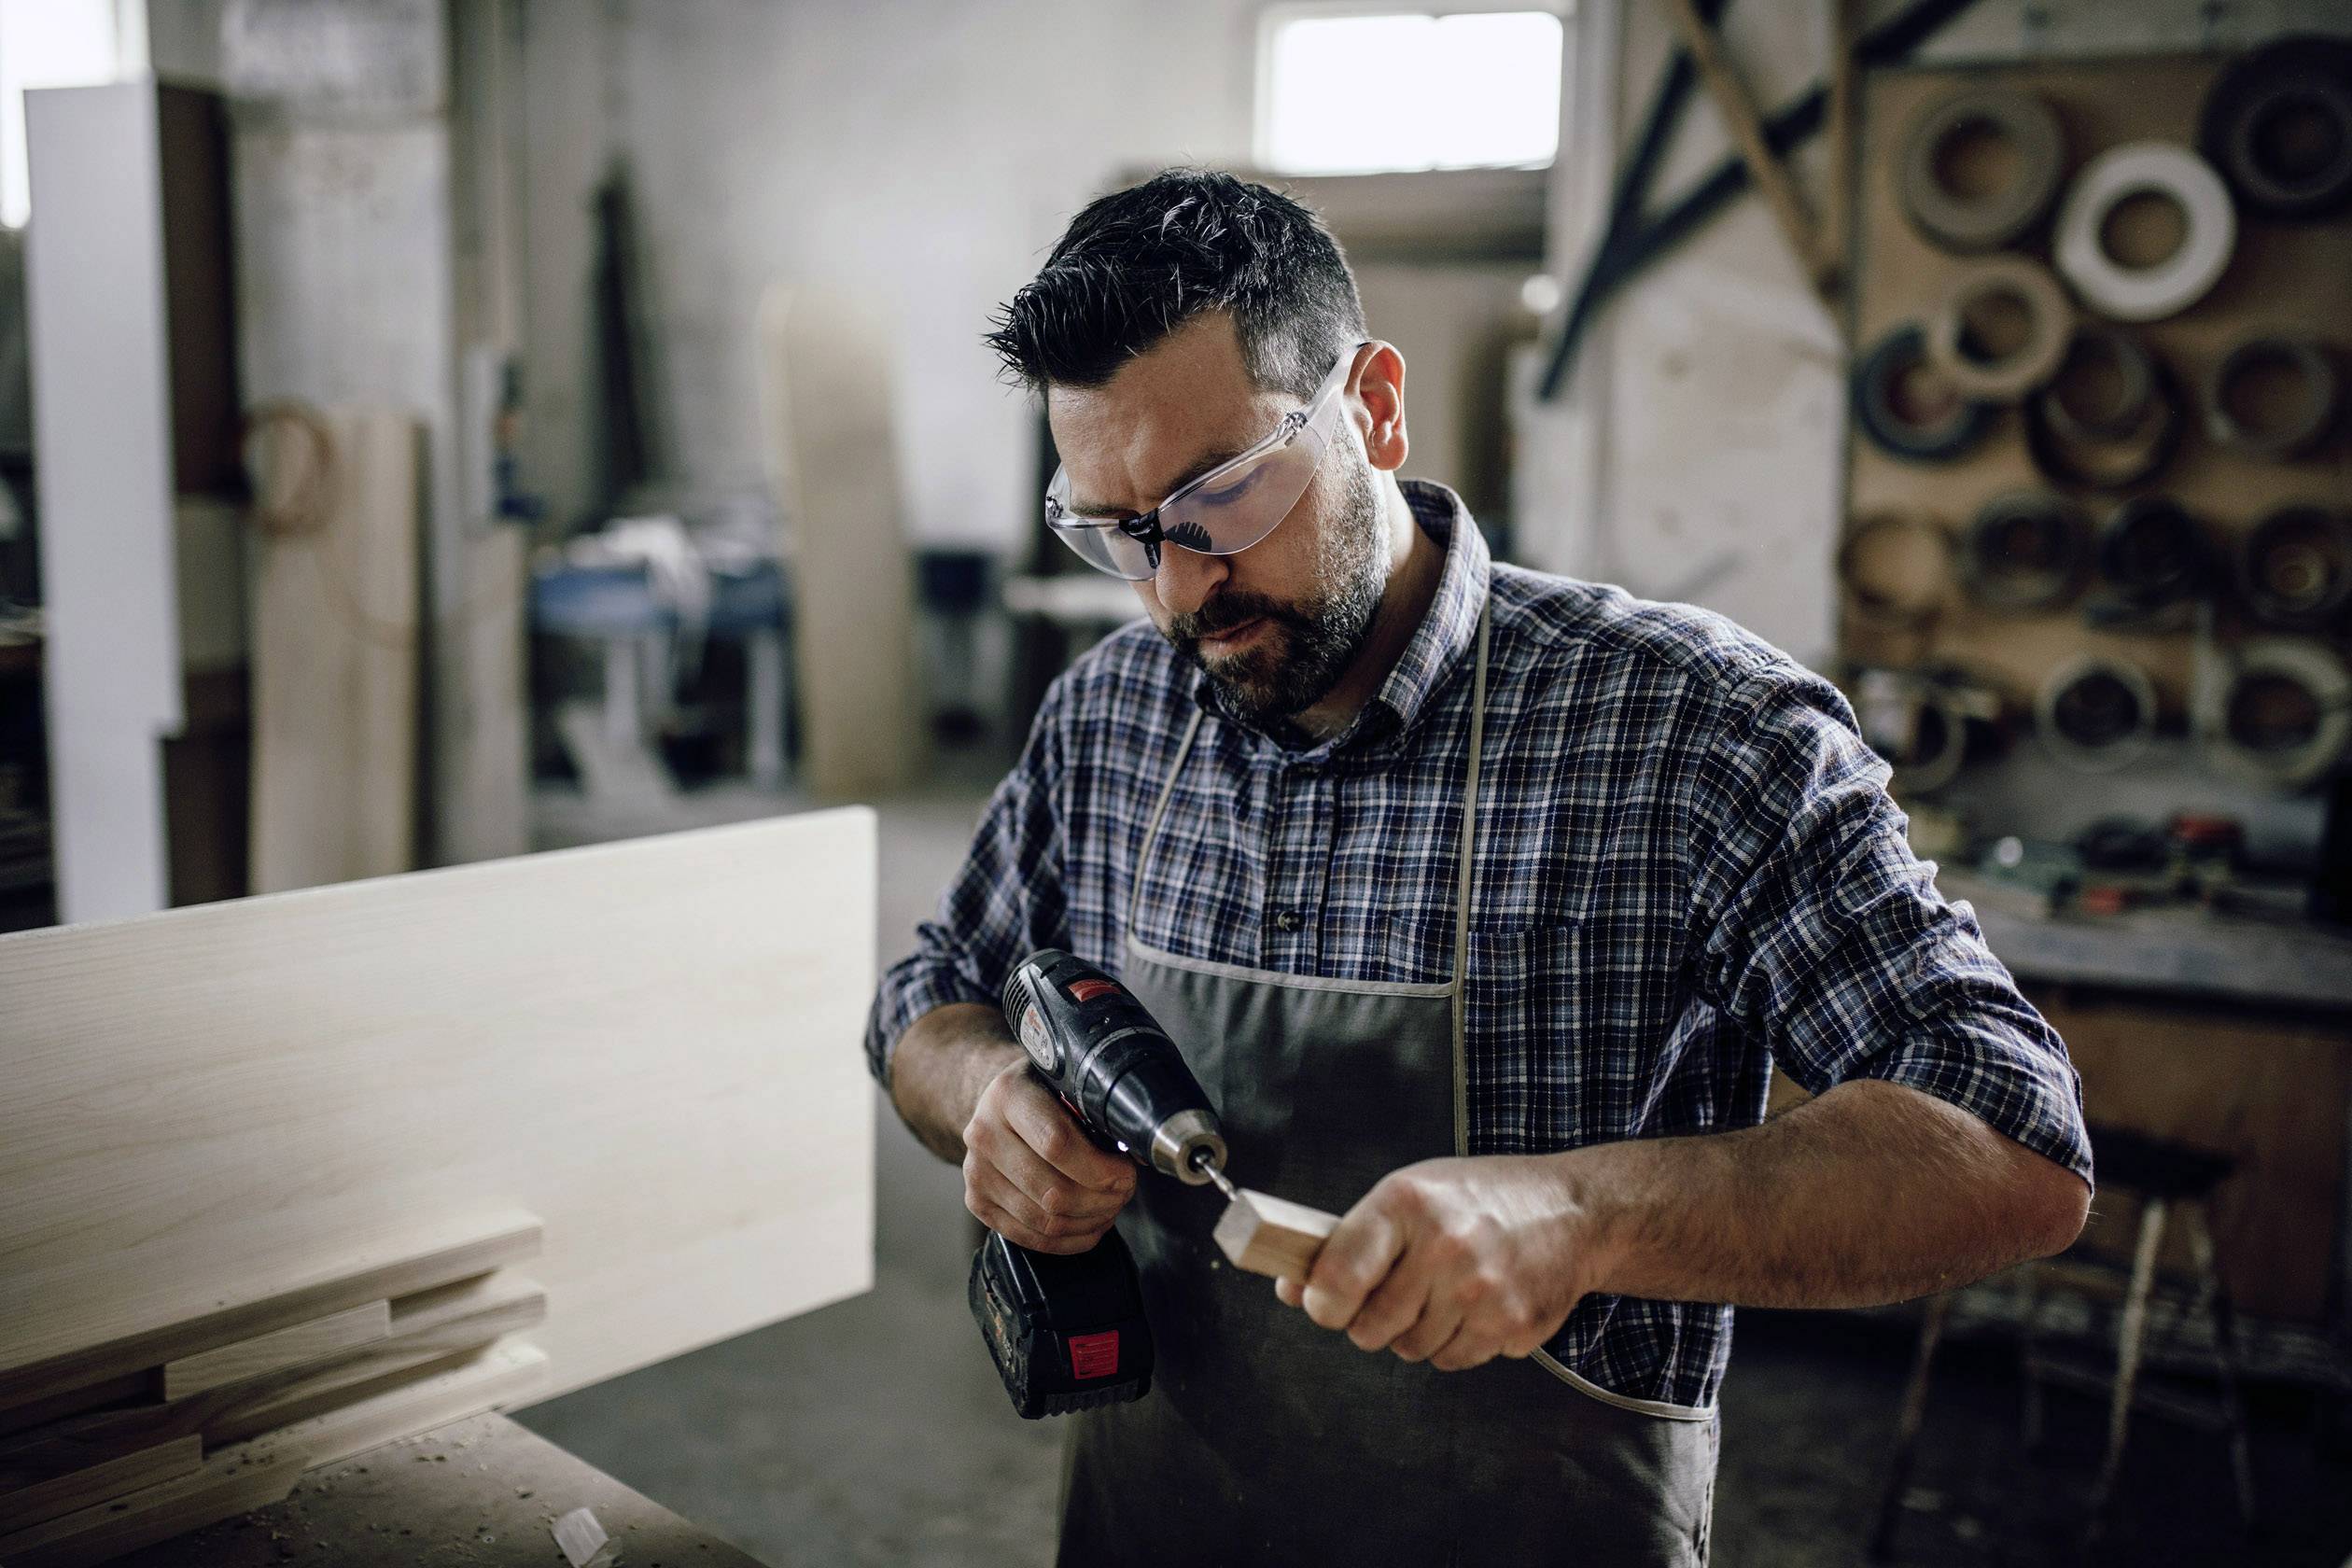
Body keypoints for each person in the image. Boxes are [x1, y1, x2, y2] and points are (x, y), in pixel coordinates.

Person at [866, 169, 2091, 1568]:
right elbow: (926, 993)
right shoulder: (1112, 712)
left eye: (1220, 498)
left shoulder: (1693, 730)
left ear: (1374, 406)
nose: (1176, 591)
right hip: (1163, 1524)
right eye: (1118, 531)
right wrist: (988, 1100)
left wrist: (1578, 1216)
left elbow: (2013, 1144)